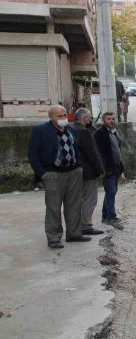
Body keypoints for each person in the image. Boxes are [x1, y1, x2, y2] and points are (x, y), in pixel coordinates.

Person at [27, 105, 91, 248]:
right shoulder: (40, 131)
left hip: (73, 173)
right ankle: (54, 237)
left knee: (74, 205)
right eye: (60, 116)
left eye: (64, 115)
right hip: (53, 174)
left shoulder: (71, 130)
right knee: (53, 207)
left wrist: (79, 166)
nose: (63, 118)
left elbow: (76, 149)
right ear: (51, 117)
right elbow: (33, 155)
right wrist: (43, 174)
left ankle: (74, 234)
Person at [70, 108, 105, 236]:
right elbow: (92, 154)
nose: (91, 120)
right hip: (88, 172)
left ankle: (76, 224)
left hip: (74, 170)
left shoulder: (70, 128)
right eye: (90, 117)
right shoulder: (83, 132)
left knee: (77, 199)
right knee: (90, 199)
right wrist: (100, 170)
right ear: (84, 118)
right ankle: (86, 225)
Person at [94, 112, 126, 230]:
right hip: (108, 169)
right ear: (103, 120)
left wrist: (121, 170)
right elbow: (99, 154)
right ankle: (111, 218)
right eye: (109, 119)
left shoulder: (115, 132)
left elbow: (118, 152)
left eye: (113, 118)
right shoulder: (100, 134)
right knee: (111, 192)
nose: (111, 121)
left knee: (111, 192)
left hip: (116, 168)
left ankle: (105, 216)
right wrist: (103, 169)